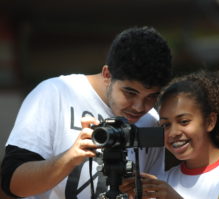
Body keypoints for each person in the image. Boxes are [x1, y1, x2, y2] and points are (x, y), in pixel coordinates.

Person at [1, 26, 172, 199]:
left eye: (151, 97)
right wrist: (68, 159)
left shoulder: (152, 121)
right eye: (130, 93)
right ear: (107, 75)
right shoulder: (55, 93)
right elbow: (11, 183)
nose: (139, 107)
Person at [120, 65, 219, 199]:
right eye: (165, 125)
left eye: (184, 121)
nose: (174, 132)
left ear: (210, 122)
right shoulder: (166, 181)